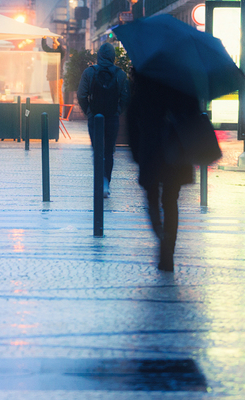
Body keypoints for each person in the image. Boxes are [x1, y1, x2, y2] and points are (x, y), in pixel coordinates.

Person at [128, 72, 197, 272]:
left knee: (152, 197)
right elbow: (193, 116)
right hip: (176, 152)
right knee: (170, 202)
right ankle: (167, 252)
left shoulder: (145, 78)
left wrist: (136, 150)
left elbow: (133, 117)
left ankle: (160, 233)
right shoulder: (183, 79)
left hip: (151, 151)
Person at [76, 41, 129, 198]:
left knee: (97, 150)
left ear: (99, 56)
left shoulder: (89, 72)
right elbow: (126, 97)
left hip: (95, 118)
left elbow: (81, 95)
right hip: (112, 118)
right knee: (109, 151)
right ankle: (106, 184)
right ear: (113, 56)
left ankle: (100, 182)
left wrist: (89, 111)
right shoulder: (120, 74)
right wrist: (118, 110)